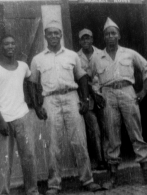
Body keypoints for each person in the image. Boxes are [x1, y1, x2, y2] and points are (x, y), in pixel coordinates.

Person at [28, 20, 101, 195]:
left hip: (71, 97)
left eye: (56, 33)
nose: (53, 36)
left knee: (80, 141)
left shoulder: (71, 55)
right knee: (54, 144)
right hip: (50, 100)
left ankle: (87, 179)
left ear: (61, 35)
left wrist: (84, 99)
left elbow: (82, 77)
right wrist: (37, 106)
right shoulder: (38, 59)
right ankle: (54, 184)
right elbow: (32, 83)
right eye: (50, 33)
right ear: (45, 36)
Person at [90, 17, 147, 190]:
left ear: (119, 35)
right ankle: (113, 177)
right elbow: (91, 78)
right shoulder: (97, 57)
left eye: (113, 33)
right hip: (108, 95)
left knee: (136, 133)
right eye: (107, 34)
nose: (110, 36)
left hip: (127, 91)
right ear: (104, 37)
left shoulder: (129, 53)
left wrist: (143, 91)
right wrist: (97, 93)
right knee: (112, 136)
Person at [0, 34, 41, 195]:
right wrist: (1, 120)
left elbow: (32, 84)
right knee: (4, 160)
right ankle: (4, 192)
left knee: (28, 156)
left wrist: (36, 104)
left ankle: (32, 191)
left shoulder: (23, 66)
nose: (10, 46)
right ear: (1, 47)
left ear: (15, 46)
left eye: (12, 43)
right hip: (3, 119)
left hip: (22, 115)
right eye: (6, 44)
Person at [77, 28, 106, 170]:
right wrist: (91, 94)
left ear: (92, 39)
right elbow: (80, 79)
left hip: (103, 95)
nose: (85, 41)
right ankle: (100, 160)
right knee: (94, 129)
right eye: (83, 39)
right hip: (86, 97)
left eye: (88, 38)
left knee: (106, 126)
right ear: (79, 41)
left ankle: (108, 158)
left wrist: (99, 94)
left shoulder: (101, 54)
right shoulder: (76, 57)